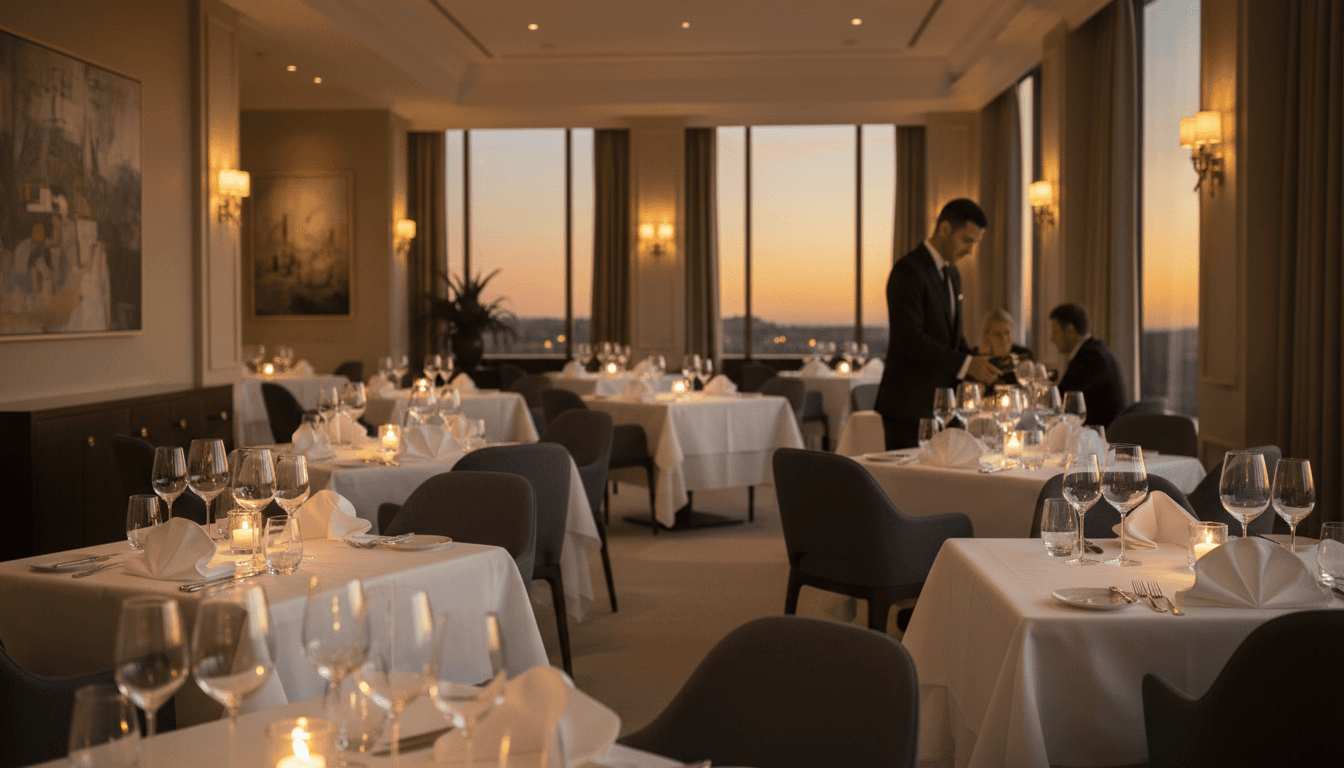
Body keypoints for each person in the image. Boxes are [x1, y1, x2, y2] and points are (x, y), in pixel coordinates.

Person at [876, 198, 1002, 449]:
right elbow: (910, 339)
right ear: (945, 229)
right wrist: (967, 364)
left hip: (945, 406)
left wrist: (980, 362)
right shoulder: (908, 271)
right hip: (910, 409)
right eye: (966, 240)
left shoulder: (952, 274)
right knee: (910, 487)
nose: (970, 250)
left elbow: (952, 338)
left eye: (974, 243)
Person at [1048, 303, 1128, 427]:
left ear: (1069, 330)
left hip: (1101, 434)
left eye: (1055, 332)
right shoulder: (1094, 349)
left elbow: (1061, 398)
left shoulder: (1091, 357)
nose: (1052, 338)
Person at [976, 308, 1034, 387]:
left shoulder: (1024, 355)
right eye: (998, 334)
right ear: (987, 336)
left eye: (1007, 333)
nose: (1004, 339)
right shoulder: (977, 358)